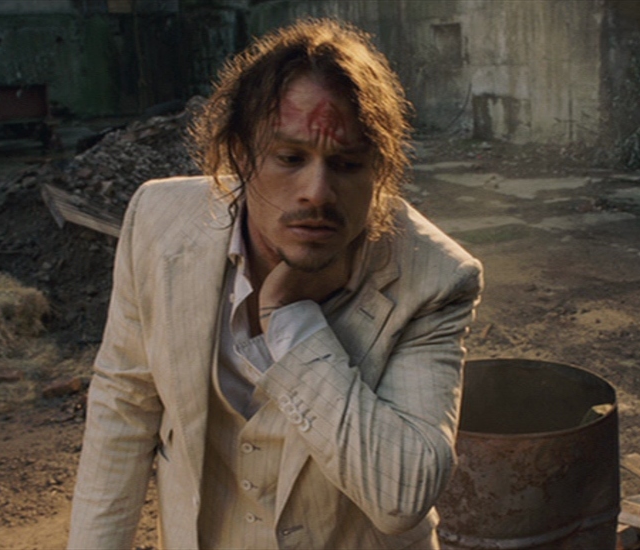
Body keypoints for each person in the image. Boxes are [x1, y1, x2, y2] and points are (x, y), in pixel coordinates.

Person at [67, 18, 483, 550]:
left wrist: (291, 318)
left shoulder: (435, 277)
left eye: (347, 164)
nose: (318, 192)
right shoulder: (159, 222)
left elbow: (402, 494)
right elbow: (122, 409)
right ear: (240, 156)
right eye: (290, 158)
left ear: (378, 172)